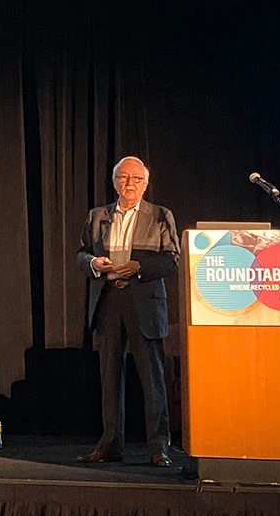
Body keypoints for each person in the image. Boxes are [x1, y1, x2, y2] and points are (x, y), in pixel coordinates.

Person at [74, 156, 179, 467]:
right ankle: (109, 445)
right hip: (109, 300)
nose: (129, 183)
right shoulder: (97, 216)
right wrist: (93, 263)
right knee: (109, 377)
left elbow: (172, 259)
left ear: (145, 184)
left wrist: (140, 266)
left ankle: (158, 448)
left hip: (143, 300)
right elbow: (80, 253)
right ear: (114, 181)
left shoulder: (160, 215)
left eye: (135, 178)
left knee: (152, 378)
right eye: (123, 178)